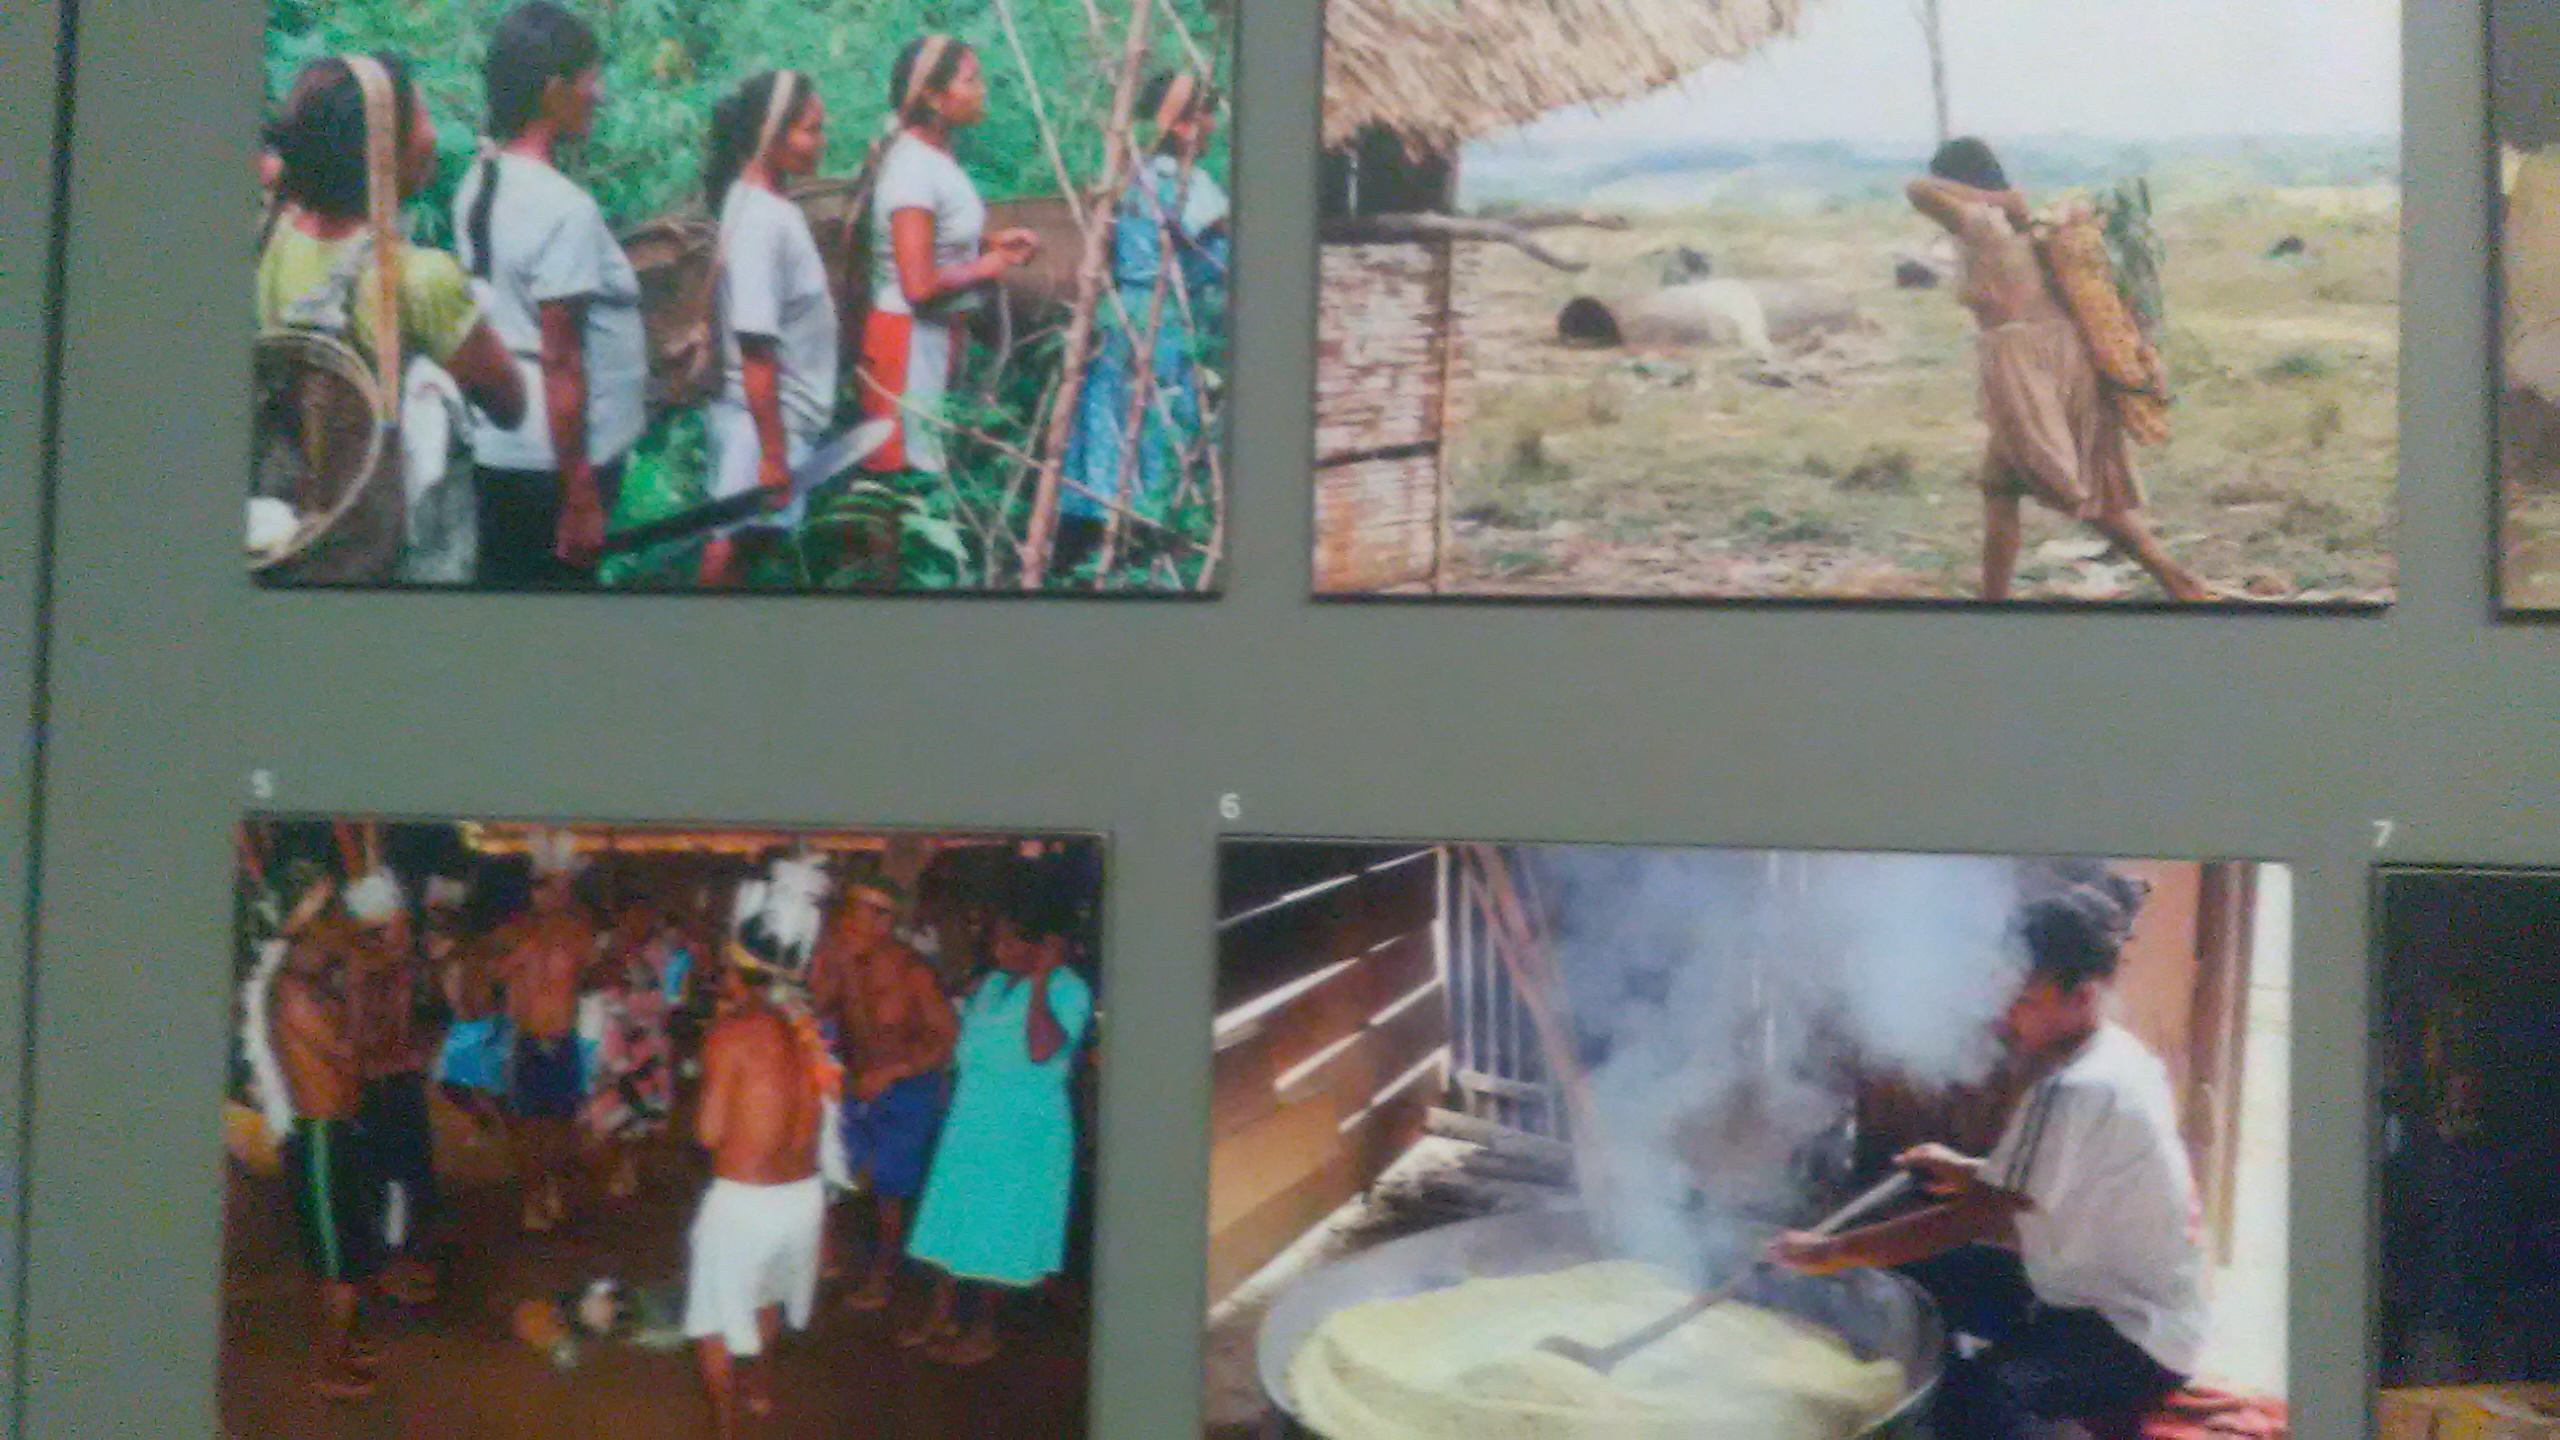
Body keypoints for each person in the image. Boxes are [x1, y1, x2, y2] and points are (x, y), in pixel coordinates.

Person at [1770, 875, 2206, 1439]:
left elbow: (1978, 1216)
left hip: (2130, 1336)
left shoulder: (2075, 1089)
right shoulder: (2117, 1055)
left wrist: (1831, 1250)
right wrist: (1966, 1172)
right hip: (2103, 1297)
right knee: (1915, 1274)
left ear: (2083, 997)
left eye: (2025, 1001)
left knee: (1969, 1403)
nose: (2007, 1017)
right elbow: (2044, 1186)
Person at [1906, 138, 2210, 603]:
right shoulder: (2016, 225)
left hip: (2026, 362)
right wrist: (2005, 199)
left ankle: (2175, 579)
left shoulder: (1983, 223)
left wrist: (1996, 199)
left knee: (2069, 489)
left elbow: (1916, 189)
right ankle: (1994, 598)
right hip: (2046, 353)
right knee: (1999, 488)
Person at [452, 2, 646, 588]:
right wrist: (579, 492)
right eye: (591, 79)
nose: (600, 94)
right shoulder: (565, 207)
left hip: (499, 447)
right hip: (551, 463)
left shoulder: (478, 180)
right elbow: (561, 358)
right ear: (555, 90)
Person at [258, 55, 525, 448]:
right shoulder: (418, 278)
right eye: (422, 114)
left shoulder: (276, 237)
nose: (432, 133)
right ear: (383, 149)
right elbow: (510, 405)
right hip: (394, 502)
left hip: (305, 488)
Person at [900, 856, 1094, 1365]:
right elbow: (965, 1049)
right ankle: (938, 1315)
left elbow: (1040, 1049)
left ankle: (983, 1331)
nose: (998, 947)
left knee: (997, 1232)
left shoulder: (1068, 989)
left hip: (1022, 1131)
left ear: (1043, 946)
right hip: (972, 1121)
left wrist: (1042, 981)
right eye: (998, 937)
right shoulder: (989, 985)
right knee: (949, 1219)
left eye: (1011, 939)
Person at [1058, 70, 1228, 581]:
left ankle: (1091, 539)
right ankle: (1139, 544)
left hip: (1121, 315)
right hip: (1162, 316)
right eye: (1207, 114)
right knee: (1156, 425)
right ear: (1184, 126)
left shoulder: (1131, 173)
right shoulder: (1184, 183)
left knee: (1110, 423)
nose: (1214, 125)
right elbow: (1211, 238)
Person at [856, 36, 1040, 483]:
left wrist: (987, 243)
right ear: (933, 97)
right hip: (906, 341)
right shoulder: (913, 168)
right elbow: (917, 285)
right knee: (901, 479)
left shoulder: (935, 158)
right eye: (970, 80)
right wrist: (988, 266)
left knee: (922, 468)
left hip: (932, 337)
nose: (981, 90)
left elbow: (932, 241)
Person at [683, 925, 826, 1437]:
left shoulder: (732, 1032)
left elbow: (708, 1132)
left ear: (736, 973)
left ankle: (725, 1428)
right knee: (767, 1296)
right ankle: (760, 1389)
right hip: (803, 1198)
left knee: (712, 1323)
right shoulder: (805, 1028)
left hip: (746, 1202)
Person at [699, 69, 835, 587]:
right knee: (731, 550)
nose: (821, 142)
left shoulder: (764, 205)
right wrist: (773, 455)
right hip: (761, 424)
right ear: (771, 135)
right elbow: (756, 345)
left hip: (771, 420)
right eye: (811, 129)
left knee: (746, 548)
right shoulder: (762, 219)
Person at [809, 872, 957, 1311]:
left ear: (885, 924)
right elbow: (819, 1009)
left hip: (909, 1085)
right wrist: (826, 969)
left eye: (862, 916)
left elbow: (946, 1038)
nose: (850, 924)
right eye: (848, 914)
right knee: (837, 1171)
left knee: (890, 1191)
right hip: (860, 1083)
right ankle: (831, 1259)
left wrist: (894, 1071)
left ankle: (884, 1276)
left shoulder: (913, 973)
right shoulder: (847, 964)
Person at [268, 877, 391, 1401]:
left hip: (338, 1130)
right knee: (336, 1259)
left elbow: (358, 1049)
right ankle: (327, 1362)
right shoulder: (292, 991)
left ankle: (344, 1346)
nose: (340, 943)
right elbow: (348, 1051)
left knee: (353, 1247)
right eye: (328, 934)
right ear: (304, 941)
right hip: (319, 1139)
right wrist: (360, 987)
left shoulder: (316, 987)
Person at [492, 841, 605, 1231]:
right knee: (527, 1127)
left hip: (562, 1038)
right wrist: (521, 957)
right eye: (545, 885)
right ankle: (531, 1198)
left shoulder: (578, 931)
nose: (553, 893)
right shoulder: (514, 930)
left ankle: (552, 1189)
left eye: (559, 885)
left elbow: (596, 973)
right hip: (526, 1039)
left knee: (560, 1124)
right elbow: (489, 975)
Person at [344, 872, 441, 1306]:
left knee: (410, 1178)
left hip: (398, 1084)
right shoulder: (364, 970)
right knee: (388, 1181)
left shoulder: (400, 967)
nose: (409, 930)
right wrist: (397, 1058)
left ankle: (399, 1261)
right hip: (378, 1088)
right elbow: (359, 1039)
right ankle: (388, 1267)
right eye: (402, 921)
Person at [582, 903, 677, 1201]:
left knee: (645, 1110)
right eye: (633, 914)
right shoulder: (604, 947)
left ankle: (630, 1167)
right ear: (621, 916)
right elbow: (589, 986)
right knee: (611, 1108)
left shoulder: (660, 952)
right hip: (613, 1040)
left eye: (645, 915)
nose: (640, 921)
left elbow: (669, 997)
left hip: (647, 1041)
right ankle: (613, 1170)